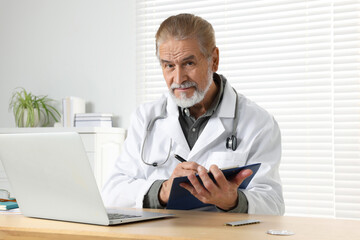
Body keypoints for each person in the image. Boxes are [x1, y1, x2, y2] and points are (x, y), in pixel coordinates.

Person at [102, 13, 284, 215]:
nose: (178, 78)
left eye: (189, 63)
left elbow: (273, 204)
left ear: (214, 60)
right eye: (169, 65)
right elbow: (112, 193)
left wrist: (233, 201)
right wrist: (162, 191)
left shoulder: (258, 122)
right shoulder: (146, 117)